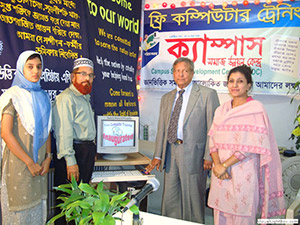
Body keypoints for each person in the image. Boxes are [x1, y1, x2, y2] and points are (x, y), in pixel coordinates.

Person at [207, 65, 286, 225]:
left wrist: (224, 165)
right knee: (220, 215)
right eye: (231, 81)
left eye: (240, 81)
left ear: (249, 85)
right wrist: (217, 165)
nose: (235, 85)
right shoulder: (221, 110)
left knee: (242, 215)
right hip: (220, 173)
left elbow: (251, 145)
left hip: (243, 172)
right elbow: (212, 140)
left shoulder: (255, 109)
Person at [145, 57, 220, 223]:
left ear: (192, 73)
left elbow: (214, 128)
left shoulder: (208, 95)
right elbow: (162, 129)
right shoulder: (167, 98)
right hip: (171, 152)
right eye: (177, 71)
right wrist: (157, 155)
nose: (181, 74)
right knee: (170, 196)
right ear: (173, 74)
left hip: (195, 154)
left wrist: (209, 155)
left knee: (193, 197)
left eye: (185, 71)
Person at [0, 50, 52, 225]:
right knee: (19, 216)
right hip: (19, 165)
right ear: (21, 69)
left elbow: (47, 130)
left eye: (38, 67)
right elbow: (5, 133)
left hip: (39, 166)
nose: (35, 71)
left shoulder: (44, 97)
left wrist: (48, 158)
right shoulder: (12, 96)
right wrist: (29, 162)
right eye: (29, 67)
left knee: (36, 214)